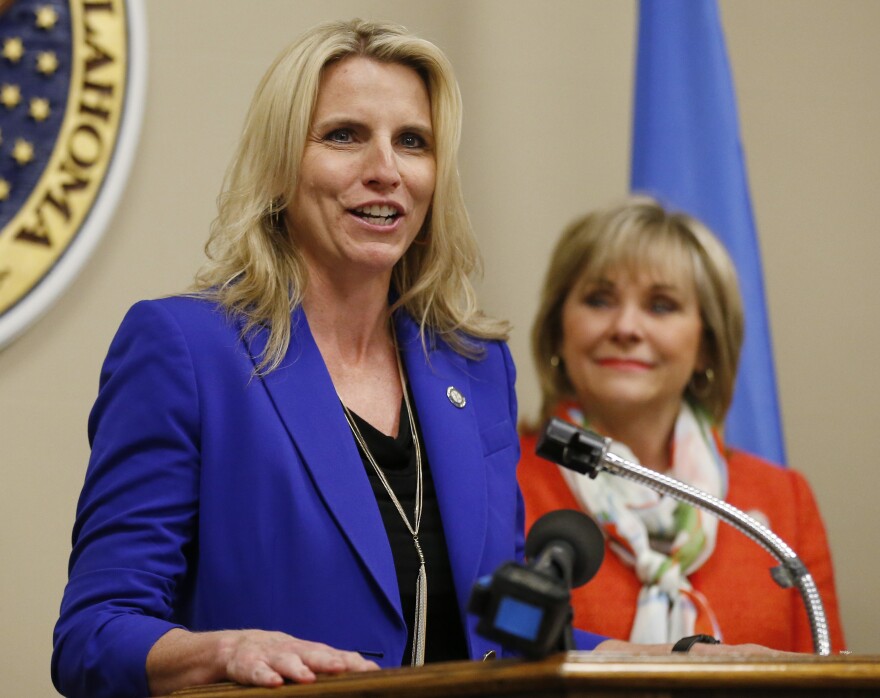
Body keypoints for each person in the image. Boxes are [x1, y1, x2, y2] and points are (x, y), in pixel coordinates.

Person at [52, 19, 612, 698]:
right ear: (282, 166)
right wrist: (226, 650)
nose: (385, 170)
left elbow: (507, 636)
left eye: (413, 142)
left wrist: (672, 655)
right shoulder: (187, 351)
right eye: (344, 136)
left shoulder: (472, 366)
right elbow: (94, 633)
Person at [518, 196, 846, 653]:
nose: (627, 327)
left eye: (661, 306)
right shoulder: (503, 480)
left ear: (707, 346)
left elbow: (826, 678)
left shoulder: (783, 501)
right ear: (558, 331)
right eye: (599, 300)